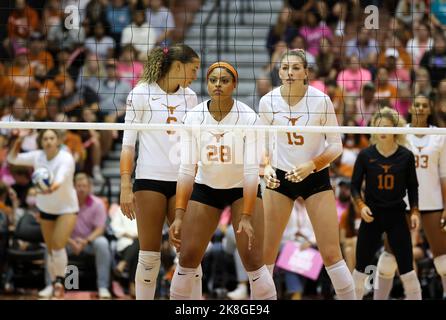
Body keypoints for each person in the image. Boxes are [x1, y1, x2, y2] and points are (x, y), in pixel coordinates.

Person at [169, 62, 276, 300]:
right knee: (187, 258)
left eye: (224, 80)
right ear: (207, 83)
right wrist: (178, 215)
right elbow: (186, 170)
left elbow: (251, 172)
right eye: (213, 80)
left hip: (241, 189)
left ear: (234, 85)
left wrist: (246, 216)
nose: (218, 85)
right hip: (206, 188)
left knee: (254, 261)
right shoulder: (193, 117)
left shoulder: (249, 118)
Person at [259, 49, 356, 300]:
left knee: (332, 254)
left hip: (314, 178)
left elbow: (336, 146)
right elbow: (262, 143)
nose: (289, 72)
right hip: (280, 179)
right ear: (279, 72)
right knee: (265, 254)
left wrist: (311, 165)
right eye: (285, 68)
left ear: (306, 73)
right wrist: (266, 167)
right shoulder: (267, 101)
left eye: (295, 68)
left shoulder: (320, 100)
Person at [120, 44, 200, 300]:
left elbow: (194, 144)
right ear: (177, 66)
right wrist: (125, 185)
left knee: (190, 256)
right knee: (150, 255)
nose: (196, 75)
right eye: (193, 68)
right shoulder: (140, 94)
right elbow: (128, 144)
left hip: (182, 182)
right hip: (149, 180)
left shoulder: (191, 97)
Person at [374, 95, 446, 300]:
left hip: (432, 202)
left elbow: (444, 175)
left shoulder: (440, 135)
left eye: (425, 105)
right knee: (389, 256)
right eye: (417, 105)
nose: (421, 108)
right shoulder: (401, 134)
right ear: (411, 108)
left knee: (443, 260)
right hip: (402, 202)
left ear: (430, 109)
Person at [351, 107, 422, 300]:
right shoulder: (365, 155)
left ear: (395, 129)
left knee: (407, 269)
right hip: (372, 215)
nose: (381, 130)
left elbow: (413, 187)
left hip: (397, 215)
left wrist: (414, 211)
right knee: (360, 268)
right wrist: (361, 205)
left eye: (386, 126)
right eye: (378, 126)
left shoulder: (406, 156)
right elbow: (354, 187)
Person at [7, 129, 78, 298]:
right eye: (45, 138)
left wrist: (49, 189)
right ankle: (53, 284)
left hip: (66, 209)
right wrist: (19, 141)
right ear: (41, 141)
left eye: (51, 138)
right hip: (46, 208)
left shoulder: (65, 158)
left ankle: (60, 282)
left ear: (58, 140)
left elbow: (60, 179)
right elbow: (12, 158)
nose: (48, 141)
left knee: (59, 245)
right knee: (51, 249)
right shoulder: (38, 156)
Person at [67, 173, 112, 299]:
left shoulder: (98, 204)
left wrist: (85, 241)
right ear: (74, 187)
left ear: (90, 187)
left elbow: (100, 229)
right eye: (78, 185)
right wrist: (71, 242)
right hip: (69, 242)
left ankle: (103, 287)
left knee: (102, 243)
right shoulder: (66, 203)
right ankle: (52, 285)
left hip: (89, 243)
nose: (81, 188)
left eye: (84, 186)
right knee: (52, 243)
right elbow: (59, 228)